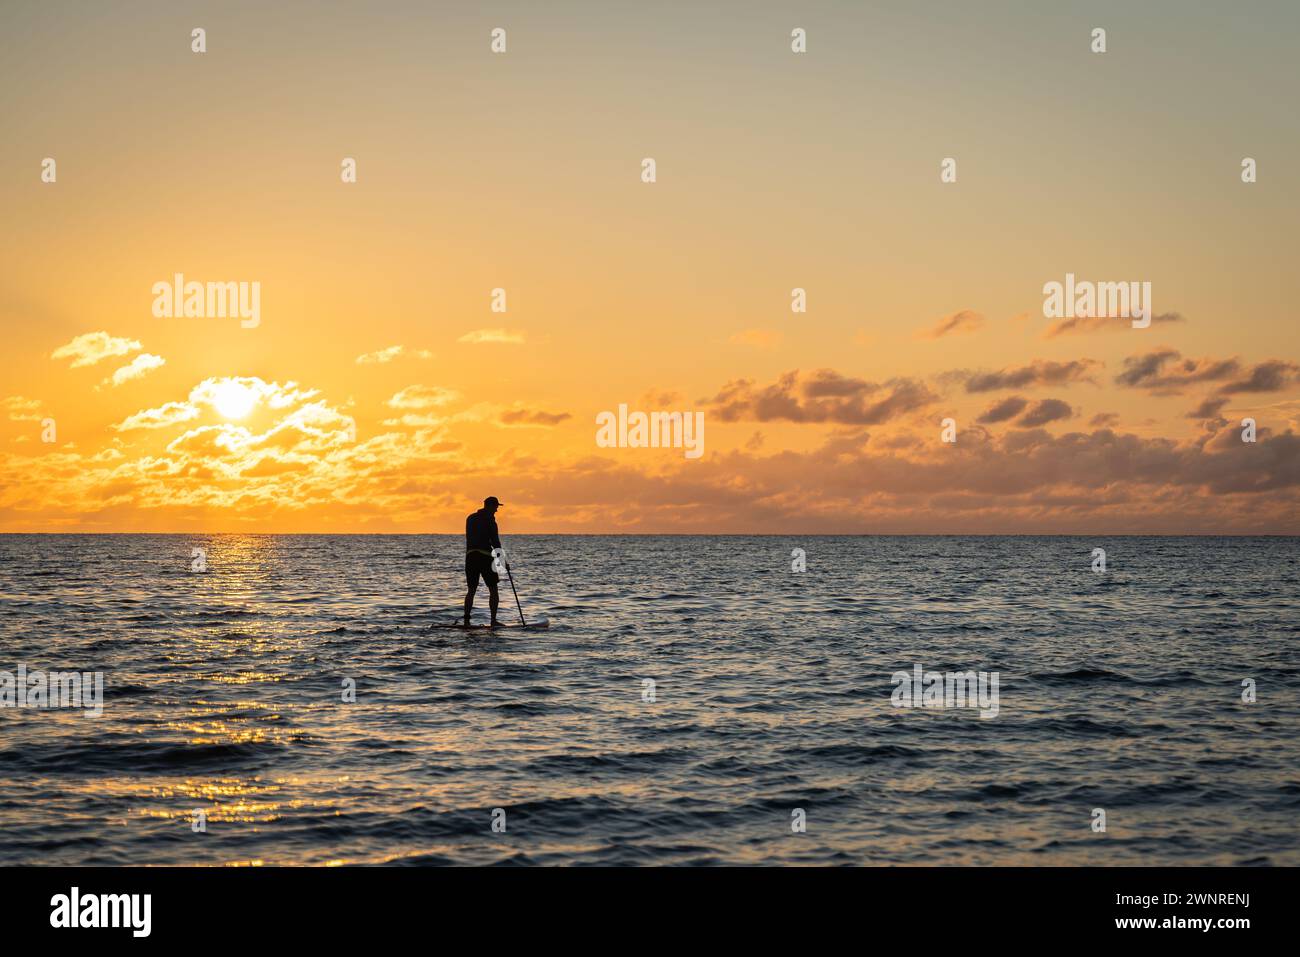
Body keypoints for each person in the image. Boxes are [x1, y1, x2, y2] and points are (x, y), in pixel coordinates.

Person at [464, 496, 506, 626]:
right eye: (496, 507)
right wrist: (502, 562)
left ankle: (466, 621)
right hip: (485, 557)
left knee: (471, 590)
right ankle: (493, 621)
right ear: (490, 506)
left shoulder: (470, 518)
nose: (496, 511)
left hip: (470, 557)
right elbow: (495, 542)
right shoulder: (490, 521)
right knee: (493, 589)